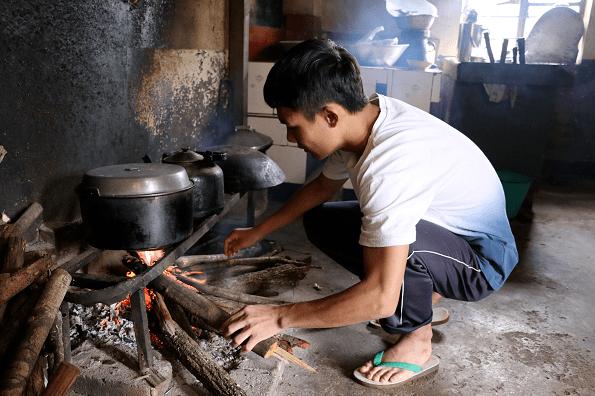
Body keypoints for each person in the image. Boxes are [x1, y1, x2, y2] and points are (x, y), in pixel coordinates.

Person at [221, 38, 518, 388]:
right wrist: (257, 231)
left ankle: (416, 339)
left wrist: (280, 317)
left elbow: (379, 297)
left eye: (294, 126)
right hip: (448, 235)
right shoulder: (364, 118)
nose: (291, 137)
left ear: (330, 115)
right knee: (322, 219)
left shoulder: (389, 166)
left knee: (392, 267)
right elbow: (322, 188)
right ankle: (424, 296)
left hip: (482, 261)